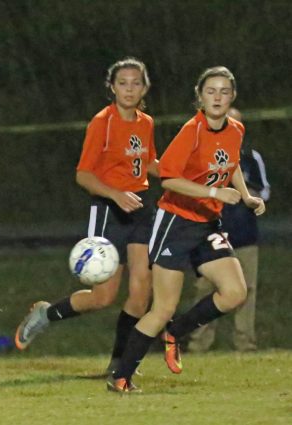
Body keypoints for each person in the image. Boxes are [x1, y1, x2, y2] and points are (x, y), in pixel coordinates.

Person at [108, 67, 266, 393]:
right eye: (211, 91)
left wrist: (246, 195)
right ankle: (121, 377)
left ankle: (176, 332)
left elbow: (231, 162)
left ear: (232, 96)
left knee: (235, 291)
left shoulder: (235, 129)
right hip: (175, 223)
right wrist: (214, 193)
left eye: (224, 91)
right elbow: (168, 178)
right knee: (162, 306)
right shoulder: (191, 131)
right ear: (201, 96)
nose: (218, 97)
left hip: (207, 224)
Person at [15, 57, 158, 375]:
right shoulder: (102, 123)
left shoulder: (146, 122)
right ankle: (47, 313)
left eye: (136, 82)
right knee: (103, 296)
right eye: (123, 83)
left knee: (141, 292)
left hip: (140, 208)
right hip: (109, 209)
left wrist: (184, 175)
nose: (130, 89)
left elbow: (148, 162)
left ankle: (120, 365)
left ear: (145, 87)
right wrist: (115, 194)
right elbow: (83, 175)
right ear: (112, 87)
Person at [188, 107, 270, 353]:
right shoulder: (201, 153)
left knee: (247, 290)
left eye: (237, 123)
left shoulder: (250, 157)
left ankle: (245, 342)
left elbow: (264, 190)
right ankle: (198, 343)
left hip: (244, 234)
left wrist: (249, 196)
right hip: (211, 233)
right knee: (205, 288)